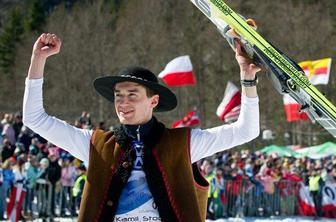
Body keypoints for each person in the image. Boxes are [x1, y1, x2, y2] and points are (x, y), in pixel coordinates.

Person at [23, 33, 261, 222]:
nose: (123, 103)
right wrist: (38, 60)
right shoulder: (95, 144)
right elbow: (34, 119)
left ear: (153, 101)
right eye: (118, 96)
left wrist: (247, 79)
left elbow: (246, 131)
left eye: (132, 95)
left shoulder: (183, 143)